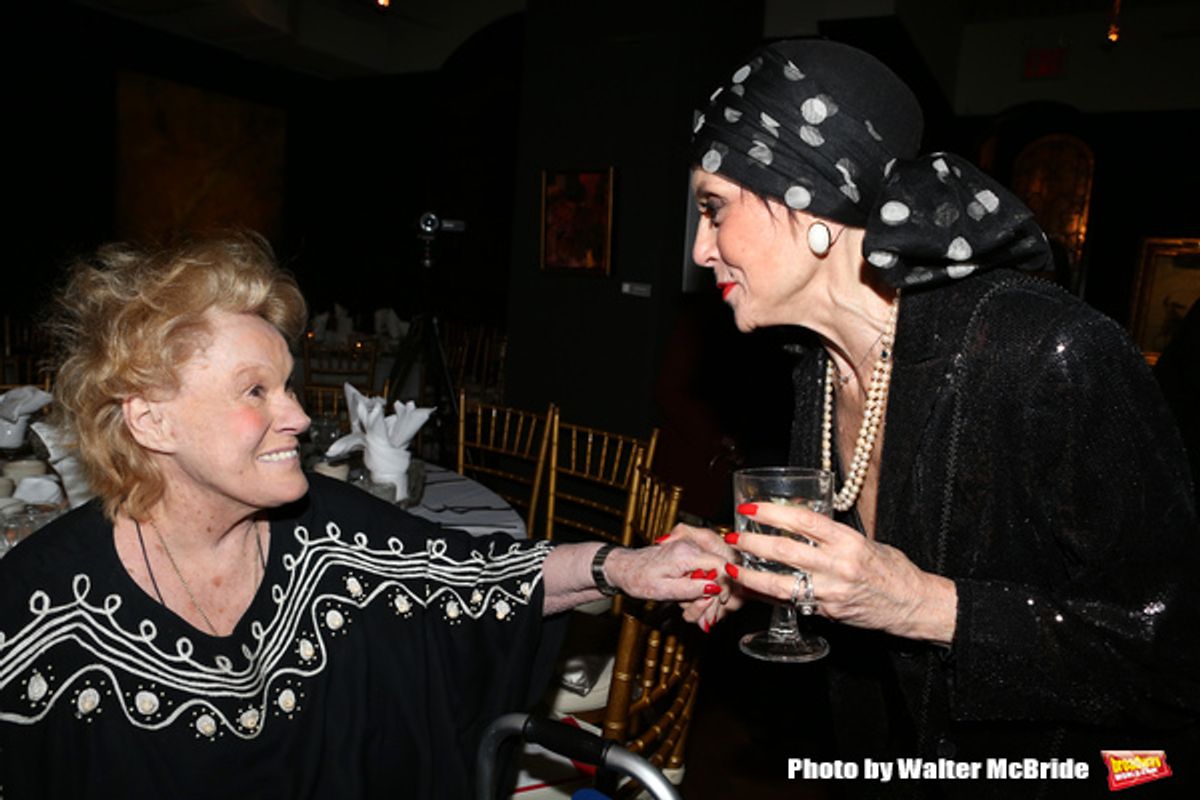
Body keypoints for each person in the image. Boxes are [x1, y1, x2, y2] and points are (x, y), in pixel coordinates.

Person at [0, 234, 727, 798]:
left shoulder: (326, 532)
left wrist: (626, 566)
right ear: (152, 422)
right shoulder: (42, 613)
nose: (297, 417)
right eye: (255, 391)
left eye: (287, 386)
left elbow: (485, 577)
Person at [674, 39, 1200, 797]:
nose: (701, 249)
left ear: (807, 198)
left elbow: (1174, 657)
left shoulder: (1046, 350)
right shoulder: (820, 367)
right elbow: (868, 575)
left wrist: (925, 606)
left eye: (713, 209)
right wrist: (753, 566)